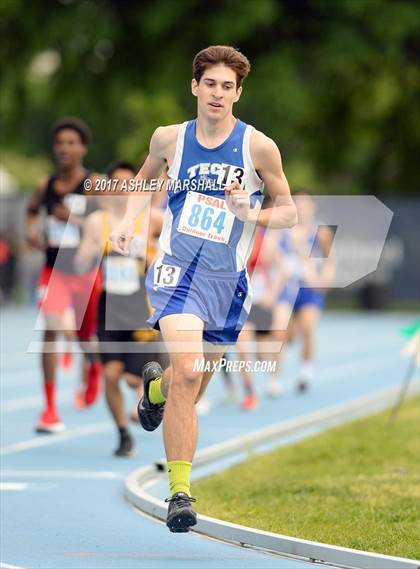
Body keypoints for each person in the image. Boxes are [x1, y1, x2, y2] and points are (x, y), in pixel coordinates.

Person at [110, 45, 297, 532]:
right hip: (175, 273)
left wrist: (249, 213)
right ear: (195, 86)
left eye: (227, 86)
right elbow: (142, 181)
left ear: (239, 92)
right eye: (209, 83)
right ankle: (180, 493)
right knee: (189, 370)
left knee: (186, 387)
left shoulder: (259, 147)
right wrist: (129, 223)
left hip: (226, 283)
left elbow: (289, 212)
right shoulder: (169, 138)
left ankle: (155, 386)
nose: (218, 93)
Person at [75, 161, 165, 456]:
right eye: (118, 183)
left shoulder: (150, 218)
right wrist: (86, 255)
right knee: (111, 375)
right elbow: (79, 260)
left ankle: (147, 399)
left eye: (131, 183)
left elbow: (173, 244)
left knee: (132, 377)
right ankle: (123, 435)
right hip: (109, 308)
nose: (124, 189)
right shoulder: (97, 221)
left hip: (142, 307)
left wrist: (158, 254)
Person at [26, 117, 102, 433]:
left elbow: (109, 222)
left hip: (85, 273)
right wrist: (32, 232)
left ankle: (94, 366)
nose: (65, 149)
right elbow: (31, 211)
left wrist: (77, 220)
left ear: (82, 147)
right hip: (53, 270)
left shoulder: (94, 184)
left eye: (72, 143)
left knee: (84, 337)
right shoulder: (46, 185)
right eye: (60, 143)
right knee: (51, 331)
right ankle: (49, 408)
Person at [270, 191, 335, 394]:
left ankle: (305, 372)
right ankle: (274, 379)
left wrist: (324, 280)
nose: (302, 207)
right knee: (281, 334)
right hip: (286, 287)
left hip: (309, 288)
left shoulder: (321, 232)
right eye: (297, 203)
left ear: (312, 207)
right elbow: (268, 255)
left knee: (307, 327)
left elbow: (329, 260)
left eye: (305, 204)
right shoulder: (281, 230)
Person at [235, 218, 286, 409]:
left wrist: (272, 294)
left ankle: (273, 379)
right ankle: (249, 393)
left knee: (264, 353)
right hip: (244, 303)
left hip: (262, 302)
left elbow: (283, 270)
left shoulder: (266, 242)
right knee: (242, 345)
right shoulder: (234, 238)